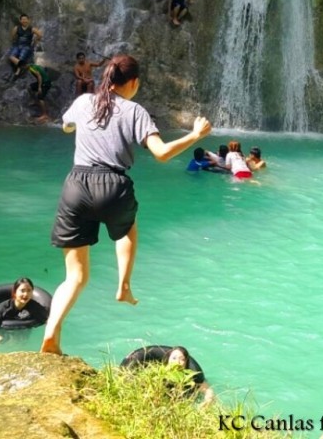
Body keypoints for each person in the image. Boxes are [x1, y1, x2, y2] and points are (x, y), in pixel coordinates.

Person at [40, 55, 212, 355]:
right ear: (133, 83)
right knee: (126, 230)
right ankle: (124, 285)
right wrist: (195, 135)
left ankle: (52, 334)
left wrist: (71, 128)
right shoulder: (135, 111)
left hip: (77, 185)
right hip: (113, 185)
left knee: (75, 276)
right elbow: (160, 153)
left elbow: (66, 125)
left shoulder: (83, 102)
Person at [0, 277, 48, 343]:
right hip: (2, 336)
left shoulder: (34, 306)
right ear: (15, 292)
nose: (26, 294)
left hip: (22, 338)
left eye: (29, 290)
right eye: (22, 290)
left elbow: (48, 320)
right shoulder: (5, 307)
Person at [7, 14, 43, 79]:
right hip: (17, 45)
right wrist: (14, 41)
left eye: (25, 19)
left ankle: (18, 71)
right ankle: (23, 65)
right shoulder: (17, 28)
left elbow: (40, 35)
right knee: (11, 56)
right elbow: (13, 36)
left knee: (22, 56)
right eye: (23, 19)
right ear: (20, 20)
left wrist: (36, 40)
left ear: (28, 20)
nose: (24, 21)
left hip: (26, 46)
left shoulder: (31, 29)